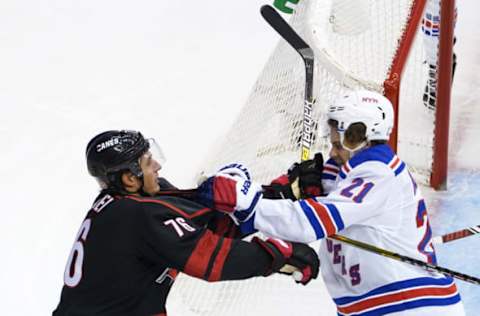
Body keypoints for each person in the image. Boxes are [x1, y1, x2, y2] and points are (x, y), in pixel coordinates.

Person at [197, 90, 465, 315]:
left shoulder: (378, 174)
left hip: (410, 306)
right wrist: (266, 193)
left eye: (338, 145)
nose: (331, 152)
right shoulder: (352, 172)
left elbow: (309, 222)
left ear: (360, 137)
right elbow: (304, 196)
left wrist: (250, 203)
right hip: (384, 305)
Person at [52, 130, 320, 316]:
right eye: (147, 162)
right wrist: (279, 254)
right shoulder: (137, 215)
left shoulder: (126, 206)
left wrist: (280, 194)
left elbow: (209, 225)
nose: (157, 165)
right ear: (129, 179)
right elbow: (212, 257)